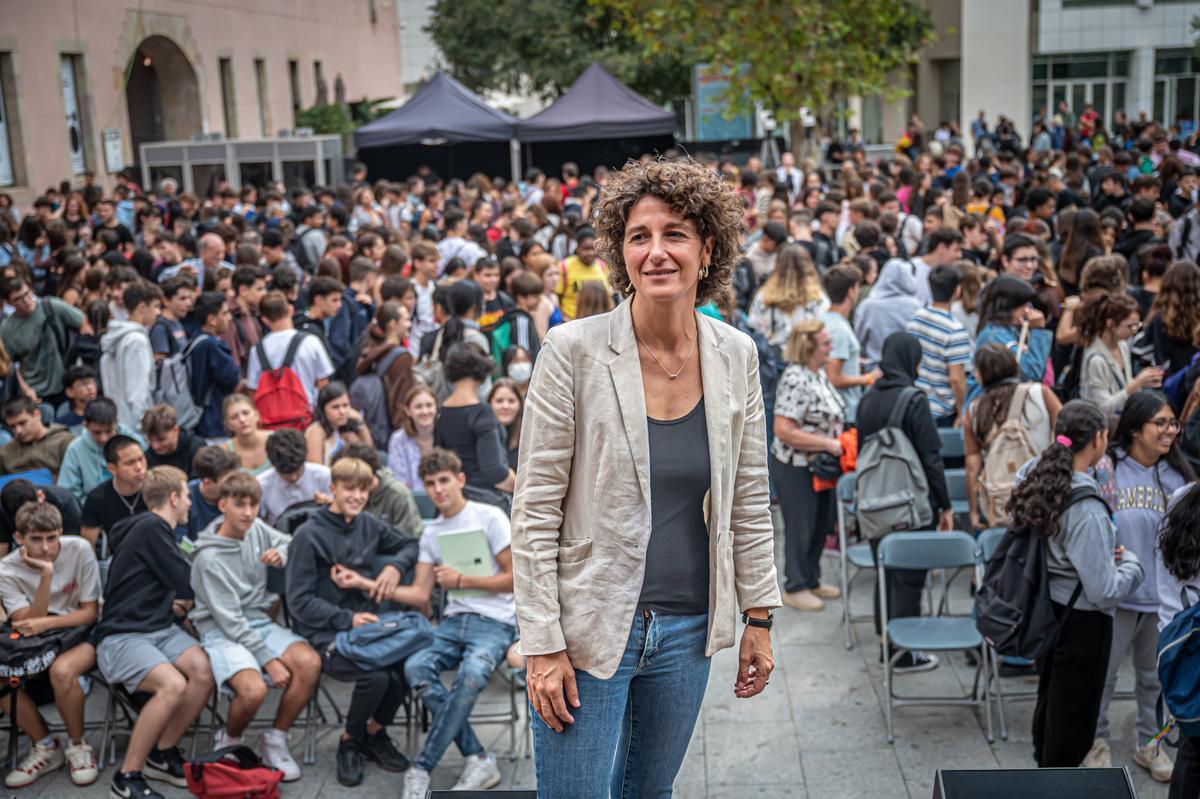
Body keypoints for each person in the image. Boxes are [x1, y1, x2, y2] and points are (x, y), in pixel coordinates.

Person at [513, 158, 779, 796]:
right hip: (587, 624)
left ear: (706, 247)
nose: (656, 252)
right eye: (640, 236)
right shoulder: (571, 351)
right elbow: (535, 509)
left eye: (675, 234)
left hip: (687, 629)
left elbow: (748, 499)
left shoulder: (735, 354)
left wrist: (760, 617)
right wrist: (541, 643)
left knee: (648, 794)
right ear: (620, 251)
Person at [326, 448, 514, 797]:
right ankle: (477, 756)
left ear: (460, 480)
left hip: (495, 622)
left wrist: (461, 581)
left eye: (443, 481)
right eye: (430, 484)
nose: (437, 489)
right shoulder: (432, 532)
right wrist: (364, 583)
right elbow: (419, 595)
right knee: (416, 666)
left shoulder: (489, 516)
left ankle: (422, 767)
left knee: (472, 673)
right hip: (453, 623)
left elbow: (517, 578)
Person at [1011, 400, 1145, 768]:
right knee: (1071, 726)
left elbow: (1025, 470)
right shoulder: (1085, 506)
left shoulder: (1038, 479)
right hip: (1083, 622)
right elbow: (1103, 589)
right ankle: (1057, 785)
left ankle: (1047, 778)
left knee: (1052, 711)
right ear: (1099, 440)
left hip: (1051, 610)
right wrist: (1132, 565)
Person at [285, 457, 418, 787]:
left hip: (367, 626)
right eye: (349, 489)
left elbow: (411, 543)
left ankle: (374, 733)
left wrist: (393, 568)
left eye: (362, 490)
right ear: (332, 490)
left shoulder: (369, 524)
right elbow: (299, 602)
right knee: (375, 676)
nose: (357, 496)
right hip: (326, 630)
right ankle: (349, 742)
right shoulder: (307, 535)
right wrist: (347, 618)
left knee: (403, 667)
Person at [190, 472, 321, 780]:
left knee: (309, 663)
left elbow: (292, 542)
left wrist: (282, 552)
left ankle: (276, 738)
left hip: (259, 621)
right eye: (240, 505)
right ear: (223, 505)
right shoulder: (208, 558)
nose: (248, 512)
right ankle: (231, 740)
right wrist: (269, 660)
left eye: (254, 504)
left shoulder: (256, 528)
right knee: (253, 691)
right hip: (222, 631)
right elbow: (231, 622)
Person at [94, 466, 215, 799]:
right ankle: (127, 776)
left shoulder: (153, 530)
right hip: (123, 636)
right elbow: (185, 581)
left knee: (204, 672)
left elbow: (170, 580)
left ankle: (162, 752)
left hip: (158, 626)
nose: (191, 503)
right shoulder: (152, 527)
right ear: (174, 497)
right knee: (173, 685)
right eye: (187, 496)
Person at [1090, 391, 1192, 778]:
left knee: (1154, 678)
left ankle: (1150, 743)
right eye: (1160, 423)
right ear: (1135, 429)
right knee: (1105, 675)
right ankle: (1095, 741)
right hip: (1117, 595)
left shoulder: (1179, 476)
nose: (1169, 431)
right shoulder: (1108, 468)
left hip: (1161, 599)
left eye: (1172, 423)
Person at [857, 332, 953, 672]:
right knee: (910, 580)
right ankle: (905, 653)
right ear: (912, 360)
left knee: (885, 573)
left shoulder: (867, 400)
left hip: (873, 505)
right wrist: (945, 505)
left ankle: (887, 644)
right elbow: (931, 457)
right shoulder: (914, 400)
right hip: (910, 505)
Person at [0, 502, 100, 788]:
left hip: (80, 632)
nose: (45, 548)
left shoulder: (79, 549)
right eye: (36, 539)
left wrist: (45, 624)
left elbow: (90, 613)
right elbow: (25, 624)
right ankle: (45, 745)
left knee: (62, 671)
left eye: (51, 538)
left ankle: (78, 746)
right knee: (1, 674)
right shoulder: (6, 569)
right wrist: (46, 574)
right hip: (39, 638)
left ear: (60, 532)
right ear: (19, 538)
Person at [770, 319, 844, 612]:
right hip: (795, 466)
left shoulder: (818, 374)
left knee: (819, 525)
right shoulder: (795, 378)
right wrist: (827, 444)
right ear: (809, 347)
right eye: (825, 343)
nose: (830, 347)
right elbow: (783, 429)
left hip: (819, 467)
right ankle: (795, 584)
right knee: (800, 527)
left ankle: (811, 578)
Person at [963, 345, 1061, 530]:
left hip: (1001, 504)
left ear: (980, 375)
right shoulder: (1041, 393)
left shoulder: (974, 411)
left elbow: (972, 466)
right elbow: (1067, 432)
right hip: (1045, 494)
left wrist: (974, 512)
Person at [1156, 482, 1200, 797]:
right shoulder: (1184, 499)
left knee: (1193, 745)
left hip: (1182, 643)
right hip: (1188, 641)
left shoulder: (1182, 498)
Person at [434, 344, 514, 509]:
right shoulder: (482, 413)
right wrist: (518, 484)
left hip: (455, 504)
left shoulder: (441, 414)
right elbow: (495, 472)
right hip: (487, 506)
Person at [967, 276, 1053, 403]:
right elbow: (1031, 372)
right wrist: (1038, 331)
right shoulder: (994, 337)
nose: (1027, 311)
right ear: (1007, 306)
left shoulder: (1007, 330)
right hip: (992, 406)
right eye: (1023, 306)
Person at [0, 276, 84, 406]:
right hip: (36, 392)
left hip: (66, 384)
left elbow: (83, 322)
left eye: (27, 294)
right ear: (9, 303)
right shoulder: (7, 329)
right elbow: (10, 365)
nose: (26, 300)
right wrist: (26, 390)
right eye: (18, 299)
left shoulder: (51, 306)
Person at [246, 291, 336, 410]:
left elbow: (253, 389)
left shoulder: (257, 350)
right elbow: (323, 382)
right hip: (307, 413)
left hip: (271, 419)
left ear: (264, 320)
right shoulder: (311, 342)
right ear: (291, 310)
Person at [1078, 292, 1163, 416]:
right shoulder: (1096, 360)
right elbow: (1102, 408)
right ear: (1110, 324)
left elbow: (1125, 386)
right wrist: (1137, 384)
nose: (1134, 331)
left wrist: (1143, 382)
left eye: (1137, 325)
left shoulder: (1122, 345)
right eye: (1130, 326)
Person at [906, 263, 971, 425]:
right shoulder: (955, 330)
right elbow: (956, 378)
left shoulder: (916, 318)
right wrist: (962, 412)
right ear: (957, 290)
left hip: (916, 402)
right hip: (943, 412)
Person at [100, 281, 162, 431]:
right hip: (133, 426)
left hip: (119, 420)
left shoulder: (118, 336)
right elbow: (138, 392)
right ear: (142, 308)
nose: (158, 312)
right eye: (155, 306)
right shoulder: (136, 341)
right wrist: (143, 427)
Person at [820, 264, 876, 424]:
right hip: (844, 412)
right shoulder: (839, 329)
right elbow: (834, 377)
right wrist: (869, 378)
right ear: (851, 291)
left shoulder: (825, 320)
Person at [748, 244, 829, 348]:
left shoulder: (764, 296)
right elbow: (825, 331)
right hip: (804, 358)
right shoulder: (818, 300)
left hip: (769, 359)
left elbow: (753, 324)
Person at [188, 291, 242, 441]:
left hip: (199, 419)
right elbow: (231, 378)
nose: (229, 318)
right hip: (214, 419)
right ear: (212, 319)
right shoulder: (213, 345)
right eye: (224, 313)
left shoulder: (194, 341)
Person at [58, 397, 134, 502]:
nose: (104, 438)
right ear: (86, 425)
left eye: (108, 431)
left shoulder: (132, 442)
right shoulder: (75, 450)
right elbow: (69, 493)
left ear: (116, 423)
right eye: (97, 433)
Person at [80, 435, 147, 551]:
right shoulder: (97, 498)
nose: (139, 467)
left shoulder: (157, 489)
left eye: (141, 459)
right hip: (119, 557)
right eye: (130, 463)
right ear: (112, 469)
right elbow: (88, 547)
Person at [854, 259, 923, 372]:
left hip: (873, 371)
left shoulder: (867, 306)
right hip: (906, 371)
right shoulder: (915, 306)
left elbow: (859, 339)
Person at [257, 428, 332, 526]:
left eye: (298, 471)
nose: (293, 477)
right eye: (286, 474)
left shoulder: (324, 475)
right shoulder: (261, 484)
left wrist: (330, 504)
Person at [0, 479, 81, 556]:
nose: (26, 520)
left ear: (40, 496)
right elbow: (2, 546)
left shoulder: (67, 503)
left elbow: (71, 547)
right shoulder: (4, 507)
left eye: (29, 513)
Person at [0, 397, 74, 479]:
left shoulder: (64, 441)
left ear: (37, 414)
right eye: (13, 427)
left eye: (22, 423)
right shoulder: (5, 452)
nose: (18, 431)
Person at [185, 446, 242, 541]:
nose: (235, 484)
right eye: (228, 480)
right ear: (207, 482)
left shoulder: (240, 494)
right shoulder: (186, 497)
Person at [388, 385, 438, 490]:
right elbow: (399, 482)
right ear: (408, 411)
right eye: (418, 407)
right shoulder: (398, 440)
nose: (425, 411)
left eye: (429, 405)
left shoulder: (447, 434)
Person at [305, 381, 362, 465]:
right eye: (335, 407)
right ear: (323, 410)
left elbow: (368, 453)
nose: (342, 411)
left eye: (345, 405)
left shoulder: (340, 431)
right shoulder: (316, 432)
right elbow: (317, 472)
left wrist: (360, 421)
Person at [555, 227, 606, 320]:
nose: (590, 253)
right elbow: (556, 296)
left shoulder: (603, 266)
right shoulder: (564, 266)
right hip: (571, 321)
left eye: (592, 249)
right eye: (585, 249)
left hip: (598, 321)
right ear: (578, 248)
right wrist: (563, 317)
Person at [141, 404, 204, 476]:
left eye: (161, 440)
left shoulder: (196, 449)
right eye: (150, 440)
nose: (155, 446)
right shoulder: (148, 456)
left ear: (176, 430)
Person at [223, 395, 272, 476]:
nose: (242, 420)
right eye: (234, 417)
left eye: (246, 413)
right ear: (228, 424)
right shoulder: (224, 452)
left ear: (257, 415)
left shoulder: (276, 440)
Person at [149, 276, 194, 361]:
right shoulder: (160, 328)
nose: (188, 303)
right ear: (166, 301)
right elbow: (160, 365)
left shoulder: (177, 322)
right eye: (182, 298)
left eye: (189, 298)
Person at [488, 378, 524, 471]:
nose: (505, 406)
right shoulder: (480, 434)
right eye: (499, 401)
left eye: (511, 401)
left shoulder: (528, 436)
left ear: (520, 404)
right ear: (489, 403)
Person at [55, 364, 98, 433]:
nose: (90, 388)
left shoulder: (108, 411)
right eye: (83, 384)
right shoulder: (62, 424)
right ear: (70, 392)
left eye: (91, 382)